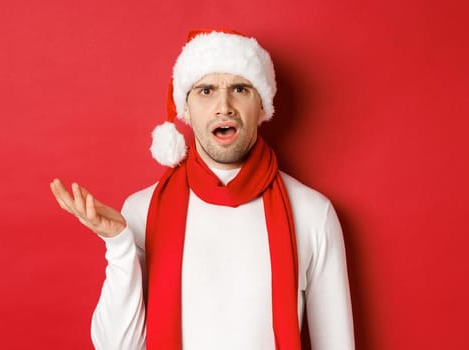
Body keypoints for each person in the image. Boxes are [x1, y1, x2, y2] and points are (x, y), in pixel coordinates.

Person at [49, 29, 354, 350]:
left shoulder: (311, 213)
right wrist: (119, 245)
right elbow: (116, 347)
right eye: (206, 91)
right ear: (186, 109)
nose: (224, 106)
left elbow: (337, 344)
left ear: (262, 106)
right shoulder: (142, 210)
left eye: (240, 88)